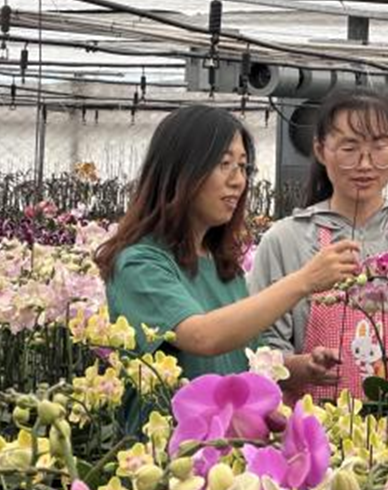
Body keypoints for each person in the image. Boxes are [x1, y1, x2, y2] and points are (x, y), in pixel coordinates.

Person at [95, 105, 360, 428]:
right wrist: (303, 281)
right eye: (224, 165)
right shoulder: (140, 263)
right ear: (181, 169)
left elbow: (247, 361)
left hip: (228, 446)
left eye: (243, 167)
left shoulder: (223, 266)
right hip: (169, 449)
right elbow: (202, 337)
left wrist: (299, 368)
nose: (238, 181)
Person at [249, 87, 388, 401]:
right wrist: (298, 368)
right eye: (349, 148)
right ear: (320, 150)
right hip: (310, 426)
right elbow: (259, 346)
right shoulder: (285, 241)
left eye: (379, 146)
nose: (365, 164)